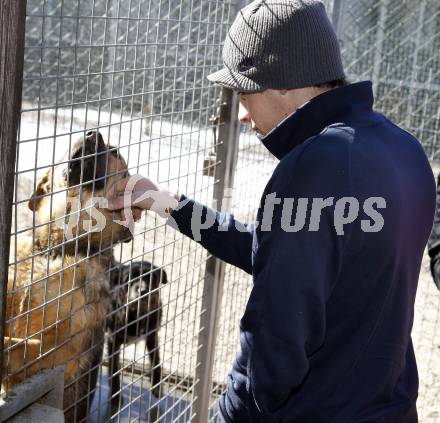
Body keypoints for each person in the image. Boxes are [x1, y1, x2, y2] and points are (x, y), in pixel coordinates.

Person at [105, 1, 436, 422]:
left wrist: (227, 415)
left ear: (281, 82)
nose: (242, 114)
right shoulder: (403, 150)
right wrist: (166, 202)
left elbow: (273, 348)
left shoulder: (316, 166)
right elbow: (282, 249)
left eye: (244, 93)